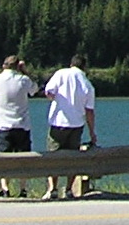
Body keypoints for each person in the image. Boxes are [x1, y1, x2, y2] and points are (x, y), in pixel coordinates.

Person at [41, 53, 99, 199]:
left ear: (71, 64)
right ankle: (68, 189)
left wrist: (56, 99)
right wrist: (92, 132)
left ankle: (52, 188)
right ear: (84, 67)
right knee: (72, 157)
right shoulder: (87, 84)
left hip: (58, 122)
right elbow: (89, 112)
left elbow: (48, 92)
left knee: (53, 156)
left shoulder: (61, 74)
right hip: (76, 124)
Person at [0, 56, 44, 198]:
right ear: (18, 66)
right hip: (21, 125)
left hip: (2, 125)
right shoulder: (24, 80)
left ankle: (5, 188)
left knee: (3, 159)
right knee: (23, 158)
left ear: (4, 65)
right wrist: (25, 72)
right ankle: (23, 189)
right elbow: (35, 89)